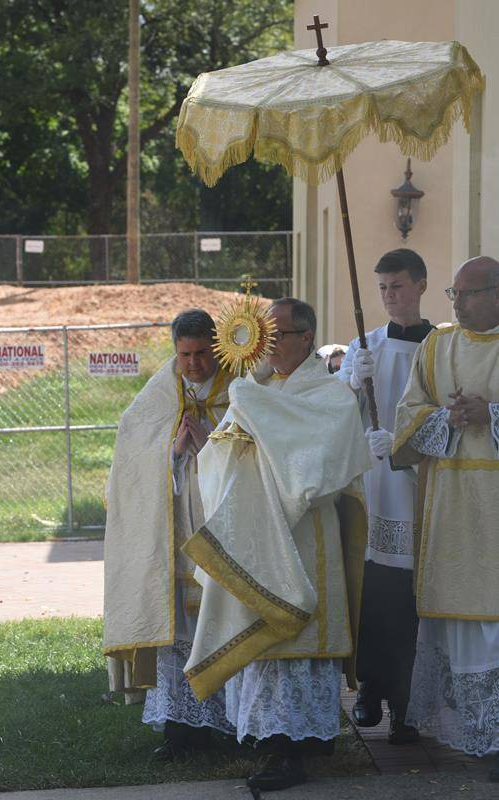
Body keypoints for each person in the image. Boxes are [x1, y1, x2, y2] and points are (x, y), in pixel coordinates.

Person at [182, 298, 371, 791]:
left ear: (306, 338)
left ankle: (296, 747)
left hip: (306, 536)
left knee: (298, 638)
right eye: (264, 335)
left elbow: (316, 468)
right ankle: (275, 743)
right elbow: (219, 456)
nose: (269, 344)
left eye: (278, 335)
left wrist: (253, 408)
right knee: (265, 633)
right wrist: (234, 438)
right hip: (255, 534)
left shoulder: (330, 394)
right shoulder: (258, 392)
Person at [103, 308, 235, 760]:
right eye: (184, 354)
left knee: (223, 627)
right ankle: (180, 730)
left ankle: (233, 725)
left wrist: (212, 439)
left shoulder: (238, 389)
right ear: (174, 350)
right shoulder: (162, 390)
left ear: (215, 347)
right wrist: (173, 450)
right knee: (179, 632)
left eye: (201, 353)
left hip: (223, 534)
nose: (193, 363)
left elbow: (258, 451)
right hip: (174, 539)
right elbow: (132, 450)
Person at [392, 256, 499, 781]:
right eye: (454, 295)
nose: (457, 304)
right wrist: (446, 419)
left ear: (498, 293)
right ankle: (478, 736)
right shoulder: (437, 345)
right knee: (464, 627)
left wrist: (493, 415)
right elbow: (407, 415)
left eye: (469, 294)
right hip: (452, 508)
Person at [338, 249, 434, 744]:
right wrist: (351, 383)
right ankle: (370, 690)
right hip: (375, 491)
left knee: (411, 605)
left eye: (397, 285)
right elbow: (330, 414)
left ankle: (407, 705)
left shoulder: (442, 348)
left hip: (422, 492)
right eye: (381, 288)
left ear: (420, 285)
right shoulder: (365, 345)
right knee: (373, 597)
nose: (389, 296)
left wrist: (403, 446)